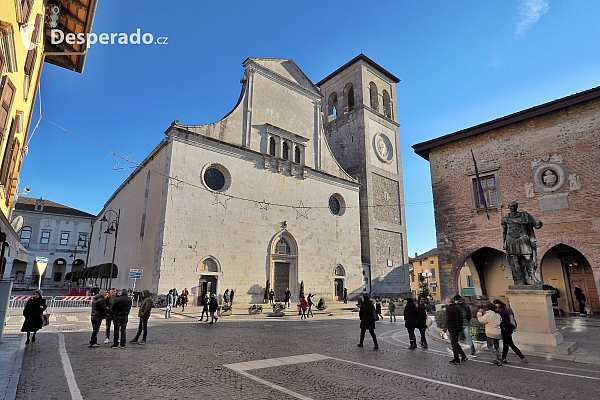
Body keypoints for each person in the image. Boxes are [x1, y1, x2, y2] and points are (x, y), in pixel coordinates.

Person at [501, 201, 544, 285]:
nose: (512, 207)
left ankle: (532, 276)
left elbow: (536, 225)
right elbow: (504, 232)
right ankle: (520, 279)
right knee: (515, 261)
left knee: (528, 258)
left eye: (513, 206)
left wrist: (539, 224)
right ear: (509, 208)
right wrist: (503, 242)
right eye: (510, 206)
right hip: (511, 241)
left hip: (524, 239)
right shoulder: (506, 219)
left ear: (517, 206)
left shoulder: (525, 216)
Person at [493, 299, 528, 364]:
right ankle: (521, 357)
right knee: (509, 344)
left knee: (507, 344)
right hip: (510, 328)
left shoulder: (500, 311)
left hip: (505, 328)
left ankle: (505, 358)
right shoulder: (507, 308)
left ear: (497, 304)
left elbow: (501, 320)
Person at [443, 296, 467, 364]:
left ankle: (457, 359)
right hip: (458, 327)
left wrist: (444, 329)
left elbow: (447, 319)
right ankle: (463, 356)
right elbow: (462, 317)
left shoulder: (448, 309)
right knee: (455, 343)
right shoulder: (458, 307)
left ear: (448, 302)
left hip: (452, 327)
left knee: (454, 344)